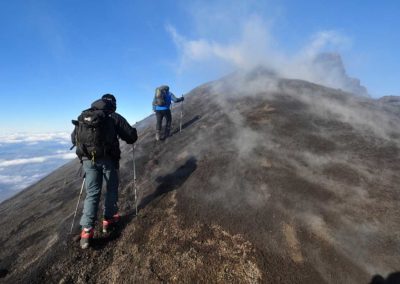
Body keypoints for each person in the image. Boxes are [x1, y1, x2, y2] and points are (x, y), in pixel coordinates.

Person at [71, 94, 137, 249]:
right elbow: (131, 136)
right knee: (111, 188)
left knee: (92, 193)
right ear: (112, 104)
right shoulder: (113, 116)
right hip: (108, 160)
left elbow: (74, 139)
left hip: (88, 160)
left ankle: (86, 232)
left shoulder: (84, 116)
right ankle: (109, 219)